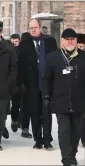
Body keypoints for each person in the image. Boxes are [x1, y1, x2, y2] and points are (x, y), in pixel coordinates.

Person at [42, 28, 85, 166]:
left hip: (79, 101)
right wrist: (46, 96)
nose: (70, 41)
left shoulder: (83, 56)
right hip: (60, 100)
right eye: (67, 39)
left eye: (72, 39)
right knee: (64, 131)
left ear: (76, 41)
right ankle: (66, 158)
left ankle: (72, 154)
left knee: (76, 132)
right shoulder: (53, 57)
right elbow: (46, 79)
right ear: (62, 41)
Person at [18, 19, 57, 150]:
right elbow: (20, 66)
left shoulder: (50, 41)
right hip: (31, 84)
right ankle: (38, 139)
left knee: (46, 112)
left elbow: (54, 62)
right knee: (34, 112)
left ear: (40, 27)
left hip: (46, 82)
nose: (33, 30)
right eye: (31, 28)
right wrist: (22, 84)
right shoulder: (24, 44)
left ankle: (47, 139)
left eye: (35, 27)